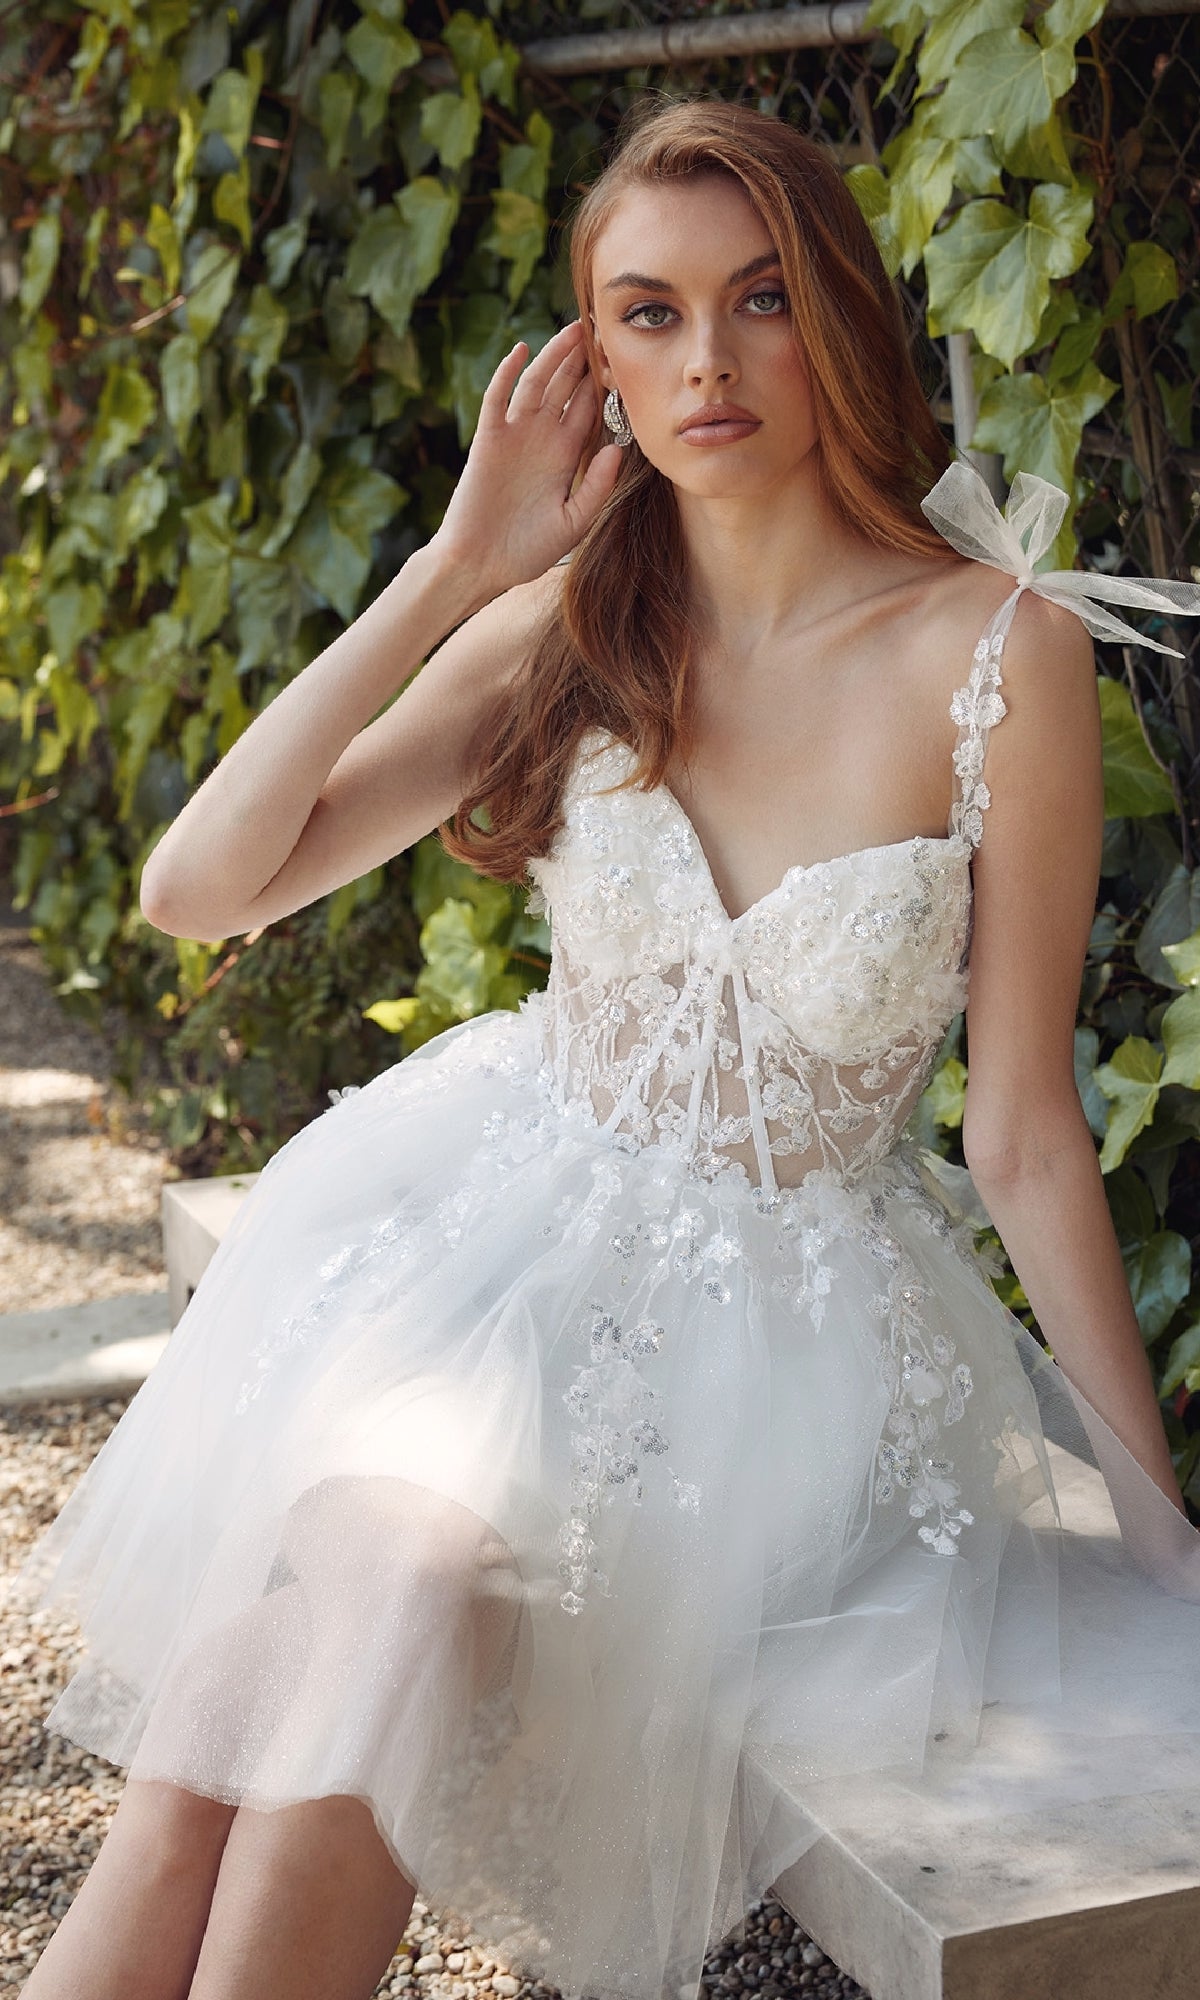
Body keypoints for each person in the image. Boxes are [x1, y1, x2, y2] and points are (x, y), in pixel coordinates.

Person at [15, 96, 1200, 2000]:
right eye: (649, 314)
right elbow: (198, 886)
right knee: (246, 1730)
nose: (706, 360)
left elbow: (1027, 1134)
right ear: (593, 366)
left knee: (356, 1617)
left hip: (777, 1360)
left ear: (837, 318)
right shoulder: (574, 622)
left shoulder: (993, 655)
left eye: (759, 299)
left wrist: (1157, 1536)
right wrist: (456, 565)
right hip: (479, 1251)